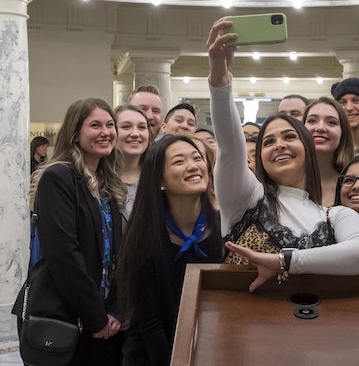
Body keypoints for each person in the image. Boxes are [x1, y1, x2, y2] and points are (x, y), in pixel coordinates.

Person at [207, 17, 359, 292]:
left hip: (310, 330)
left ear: (308, 151)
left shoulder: (334, 216)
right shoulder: (245, 198)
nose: (279, 145)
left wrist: (287, 261)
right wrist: (219, 77)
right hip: (241, 328)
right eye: (268, 142)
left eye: (289, 137)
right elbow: (230, 148)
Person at [13, 98, 125, 366]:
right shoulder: (58, 177)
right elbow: (64, 254)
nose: (105, 132)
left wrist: (115, 311)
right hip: (66, 315)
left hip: (104, 317)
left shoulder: (107, 184)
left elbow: (115, 255)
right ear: (75, 133)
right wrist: (95, 317)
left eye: (110, 125)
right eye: (95, 125)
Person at [118, 135, 223, 366]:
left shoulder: (223, 227)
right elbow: (150, 324)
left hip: (209, 349)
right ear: (160, 181)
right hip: (151, 354)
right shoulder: (144, 236)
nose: (193, 166)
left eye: (197, 158)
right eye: (179, 161)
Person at [303, 96, 354, 206]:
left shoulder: (355, 185)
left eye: (331, 122)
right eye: (312, 121)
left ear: (343, 133)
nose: (320, 128)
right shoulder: (284, 180)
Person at [114, 104, 151, 220]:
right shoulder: (96, 179)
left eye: (142, 127)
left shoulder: (158, 178)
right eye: (126, 127)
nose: (135, 134)